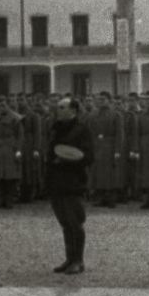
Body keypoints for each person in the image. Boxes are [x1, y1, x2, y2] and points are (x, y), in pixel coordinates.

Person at [46, 97, 94, 275]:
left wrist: (67, 160)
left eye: (62, 107)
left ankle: (78, 261)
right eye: (58, 107)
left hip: (73, 181)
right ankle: (69, 259)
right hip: (55, 180)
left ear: (73, 110)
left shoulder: (82, 130)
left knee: (75, 221)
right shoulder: (56, 128)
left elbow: (89, 156)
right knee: (64, 222)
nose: (58, 110)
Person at [86, 91, 124, 207]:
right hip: (96, 145)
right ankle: (101, 197)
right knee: (98, 172)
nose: (101, 101)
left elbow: (119, 134)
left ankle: (111, 198)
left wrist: (118, 150)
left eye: (103, 99)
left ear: (109, 100)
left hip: (110, 146)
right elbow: (89, 132)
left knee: (109, 173)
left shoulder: (115, 115)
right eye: (99, 99)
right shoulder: (92, 115)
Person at [0, 96, 25, 209]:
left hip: (10, 147)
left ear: (8, 106)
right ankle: (0, 199)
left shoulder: (15, 120)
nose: (2, 107)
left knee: (10, 176)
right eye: (0, 105)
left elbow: (20, 136)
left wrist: (18, 150)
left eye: (4, 105)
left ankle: (9, 200)